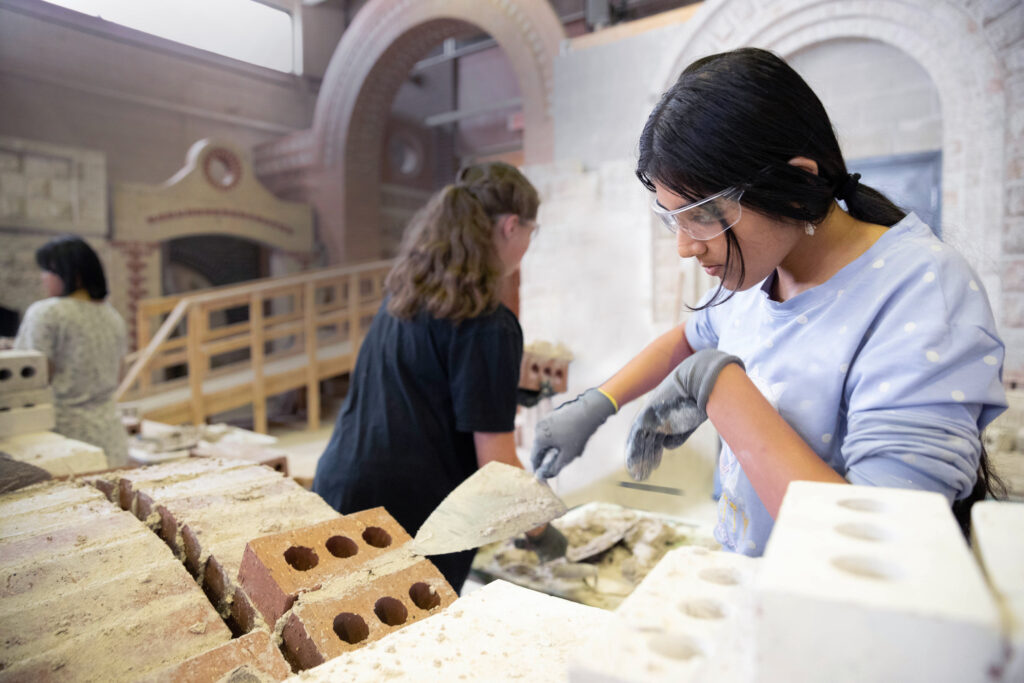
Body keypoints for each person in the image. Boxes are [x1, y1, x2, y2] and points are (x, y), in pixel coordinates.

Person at [532, 48, 1006, 555]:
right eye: (673, 218)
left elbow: (880, 546)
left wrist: (721, 388)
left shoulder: (921, 293)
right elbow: (689, 341)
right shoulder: (762, 273)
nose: (686, 247)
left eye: (703, 215)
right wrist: (599, 403)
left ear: (796, 184)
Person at [313, 162, 567, 592]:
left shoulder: (405, 294)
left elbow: (422, 385)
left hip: (341, 488)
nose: (528, 243)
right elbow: (498, 465)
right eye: (531, 231)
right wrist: (542, 530)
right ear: (510, 227)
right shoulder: (489, 323)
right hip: (408, 518)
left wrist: (507, 392)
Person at [15, 236, 129, 467]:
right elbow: (119, 375)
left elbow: (26, 380)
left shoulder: (47, 313)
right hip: (112, 440)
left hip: (65, 443)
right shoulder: (113, 316)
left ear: (70, 273)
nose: (42, 278)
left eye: (47, 270)